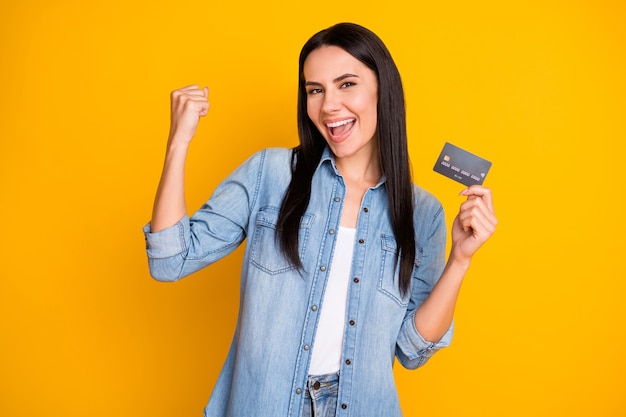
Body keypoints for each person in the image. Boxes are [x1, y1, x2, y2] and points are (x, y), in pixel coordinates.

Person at [143, 22, 497, 417]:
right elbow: (169, 260)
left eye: (346, 84)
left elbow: (412, 349)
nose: (328, 105)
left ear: (384, 90)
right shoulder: (269, 174)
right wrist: (179, 142)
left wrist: (460, 259)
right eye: (315, 90)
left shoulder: (422, 212)